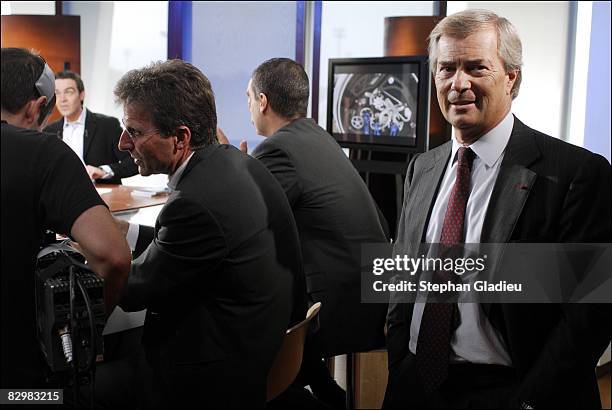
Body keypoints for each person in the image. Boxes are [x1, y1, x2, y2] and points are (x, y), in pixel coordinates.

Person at [384, 9, 612, 409]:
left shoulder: (576, 173)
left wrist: (529, 401)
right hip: (416, 385)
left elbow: (589, 316)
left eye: (476, 68)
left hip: (512, 392)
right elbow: (404, 275)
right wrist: (401, 362)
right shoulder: (422, 167)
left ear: (512, 77)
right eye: (446, 68)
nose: (458, 84)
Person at [111, 59, 306, 408]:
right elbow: (195, 245)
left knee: (78, 390)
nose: (123, 143)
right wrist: (124, 231)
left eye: (135, 132)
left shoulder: (194, 204)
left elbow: (133, 291)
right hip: (259, 347)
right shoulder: (234, 162)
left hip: (213, 376)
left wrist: (88, 253)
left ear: (180, 138)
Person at [239, 57, 389, 407]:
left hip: (341, 305)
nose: (247, 106)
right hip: (370, 288)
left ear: (263, 101)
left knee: (247, 313)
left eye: (248, 97)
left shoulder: (276, 149)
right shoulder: (319, 137)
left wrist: (234, 170)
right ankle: (323, 387)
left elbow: (245, 224)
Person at [1, 48, 131, 388]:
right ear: (36, 107)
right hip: (20, 380)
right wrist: (84, 336)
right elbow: (112, 256)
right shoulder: (44, 153)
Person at [44, 70, 138, 184]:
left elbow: (134, 162)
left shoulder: (107, 125)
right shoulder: (49, 131)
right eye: (57, 93)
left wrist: (103, 171)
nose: (62, 99)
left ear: (82, 95)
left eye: (69, 92)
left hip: (103, 196)